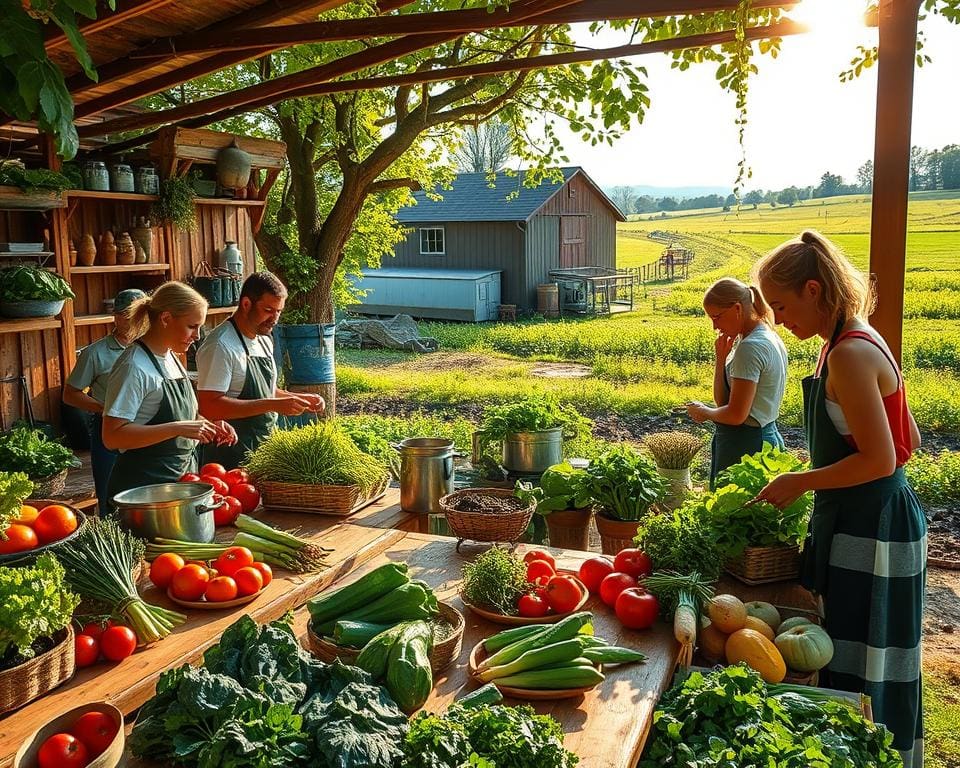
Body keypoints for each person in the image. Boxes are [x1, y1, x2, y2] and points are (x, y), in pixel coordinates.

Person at [752, 230, 925, 767]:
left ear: (813, 289)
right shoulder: (854, 339)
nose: (779, 321)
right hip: (873, 514)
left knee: (866, 651)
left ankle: (879, 755)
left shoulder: (848, 354)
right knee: (870, 646)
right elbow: (909, 441)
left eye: (781, 306)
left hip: (872, 525)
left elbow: (880, 460)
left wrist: (801, 481)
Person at [101, 282, 237, 502]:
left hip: (180, 485)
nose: (198, 335)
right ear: (165, 319)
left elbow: (182, 418)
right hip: (143, 494)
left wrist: (208, 424)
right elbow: (112, 436)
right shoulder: (134, 366)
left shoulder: (171, 357)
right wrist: (177, 428)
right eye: (192, 326)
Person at [196, 271, 324, 469]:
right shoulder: (221, 345)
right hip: (230, 458)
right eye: (268, 310)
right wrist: (272, 405)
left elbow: (267, 391)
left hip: (263, 452)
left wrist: (299, 399)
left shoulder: (264, 340)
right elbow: (209, 406)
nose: (274, 318)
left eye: (278, 311)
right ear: (246, 304)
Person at [685, 277, 788, 487]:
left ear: (737, 308)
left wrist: (704, 412)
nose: (714, 326)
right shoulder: (765, 336)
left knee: (733, 514)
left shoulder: (750, 348)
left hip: (747, 445)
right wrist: (721, 359)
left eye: (717, 317)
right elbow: (724, 401)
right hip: (765, 436)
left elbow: (735, 414)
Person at [62, 289, 147, 512]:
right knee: (110, 494)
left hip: (146, 427)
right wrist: (105, 408)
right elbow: (70, 394)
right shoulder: (95, 353)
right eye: (127, 316)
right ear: (116, 317)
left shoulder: (154, 350)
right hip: (109, 428)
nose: (135, 322)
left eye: (141, 316)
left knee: (146, 495)